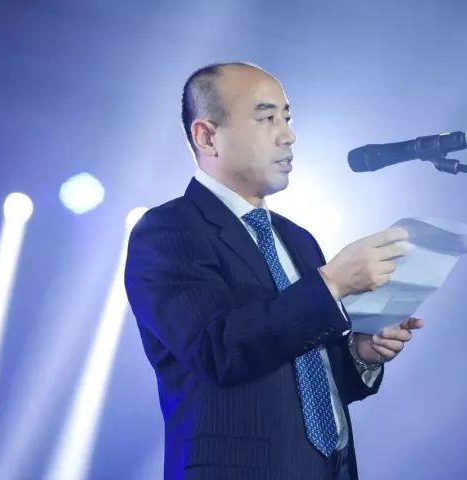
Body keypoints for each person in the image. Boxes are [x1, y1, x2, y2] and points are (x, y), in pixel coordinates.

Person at [124, 62, 423, 480]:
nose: (288, 135)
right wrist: (332, 283)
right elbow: (217, 351)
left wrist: (360, 352)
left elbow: (306, 379)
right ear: (207, 136)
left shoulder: (297, 239)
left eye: (287, 117)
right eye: (267, 118)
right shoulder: (168, 230)